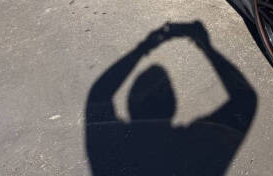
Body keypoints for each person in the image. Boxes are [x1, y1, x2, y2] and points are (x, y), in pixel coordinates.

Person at [85, 21, 257, 176]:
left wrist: (143, 48)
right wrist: (207, 47)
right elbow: (246, 99)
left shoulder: (114, 148)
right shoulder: (190, 147)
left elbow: (99, 94)